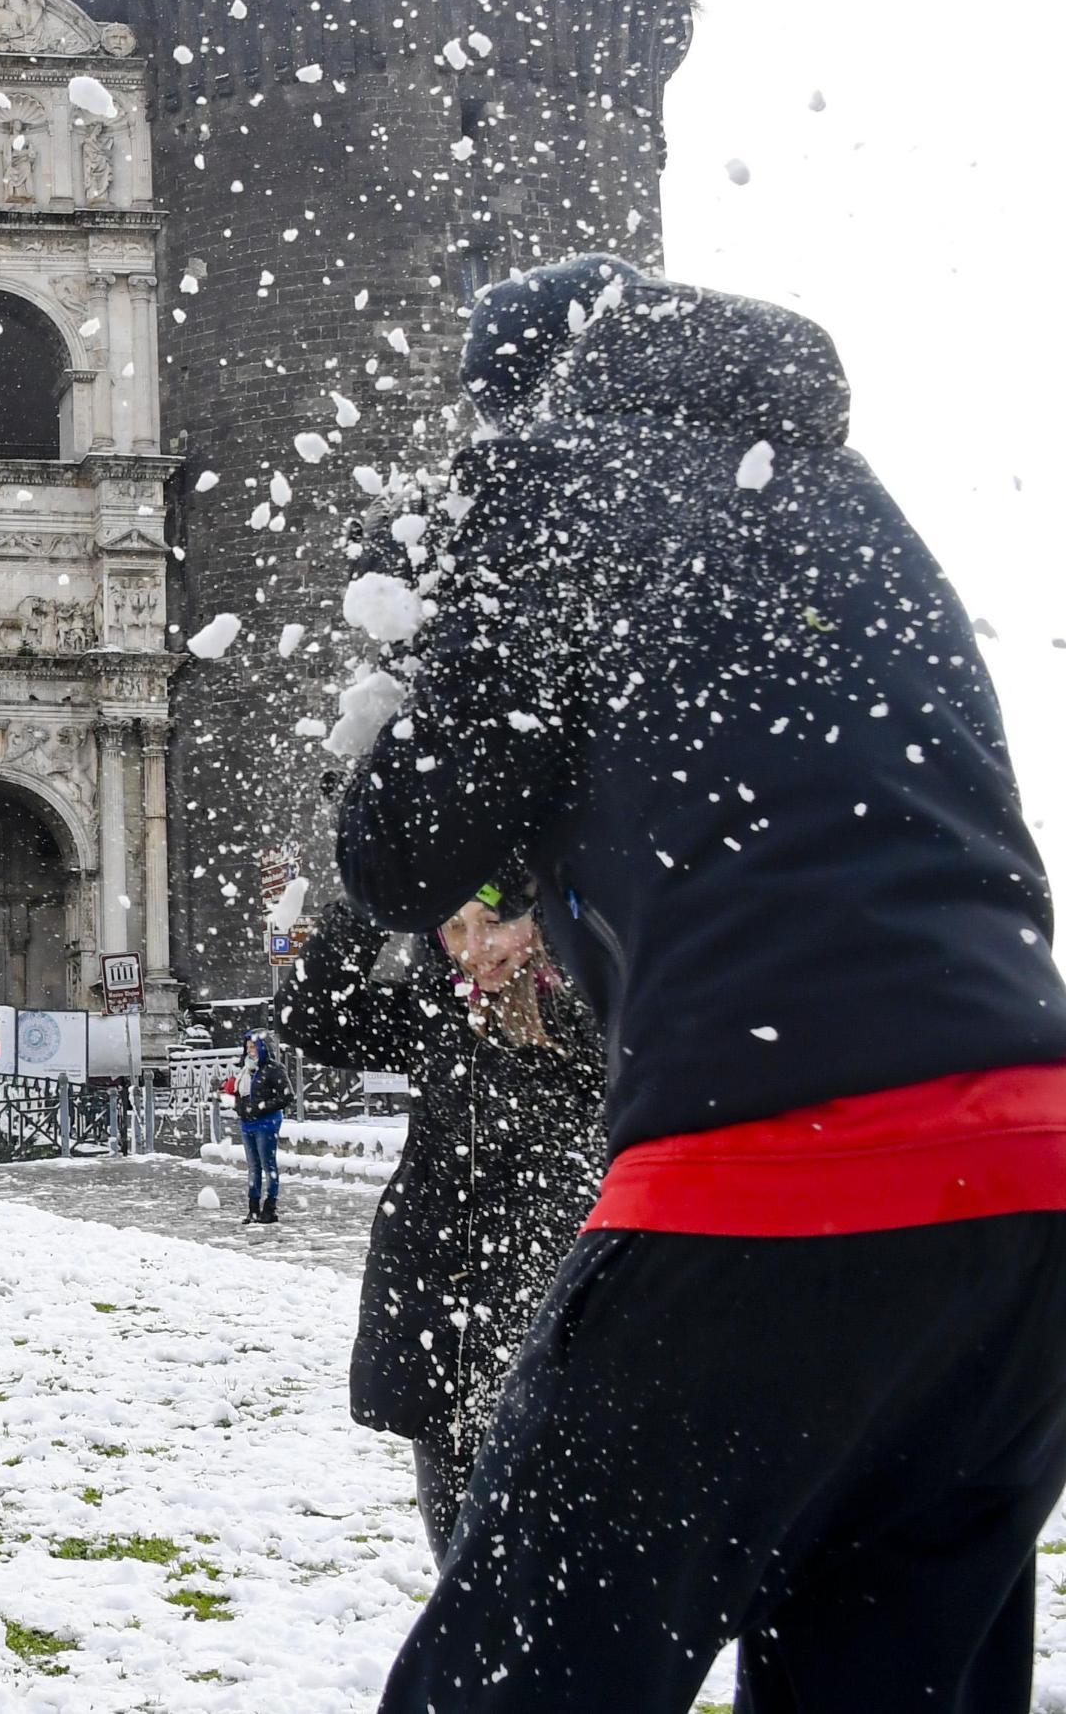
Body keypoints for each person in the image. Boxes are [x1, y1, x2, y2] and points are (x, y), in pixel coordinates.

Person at [339, 256, 1066, 1707]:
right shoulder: (850, 501)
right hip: (1030, 1181)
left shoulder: (554, 485)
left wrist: (408, 653)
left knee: (517, 1685)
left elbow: (404, 856)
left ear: (515, 400)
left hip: (781, 1163)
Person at [272, 877, 605, 1557]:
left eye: (494, 923)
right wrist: (379, 895)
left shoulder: (606, 1008)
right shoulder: (437, 1013)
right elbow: (309, 1017)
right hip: (445, 1339)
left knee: (566, 1578)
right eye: (452, 927)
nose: (475, 950)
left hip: (567, 1335)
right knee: (462, 1570)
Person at [228, 1033, 292, 1223]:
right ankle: (253, 1207)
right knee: (253, 1166)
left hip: (267, 1122)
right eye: (248, 1047)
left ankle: (270, 1207)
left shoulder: (274, 1069)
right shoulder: (245, 1070)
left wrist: (261, 1106)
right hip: (247, 1122)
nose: (250, 1051)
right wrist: (238, 1105)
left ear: (263, 1048)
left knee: (267, 1164)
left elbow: (287, 1096)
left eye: (254, 1047)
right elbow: (240, 1095)